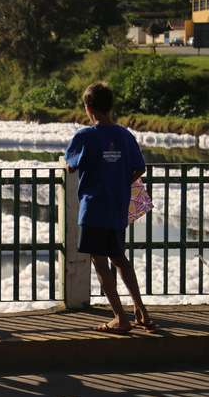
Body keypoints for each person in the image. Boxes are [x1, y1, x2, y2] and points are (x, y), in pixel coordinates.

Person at [65, 82, 157, 334]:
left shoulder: (84, 136)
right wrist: (118, 181)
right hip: (117, 207)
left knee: (100, 262)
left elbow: (71, 165)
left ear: (89, 108)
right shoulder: (125, 135)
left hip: (93, 208)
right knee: (120, 259)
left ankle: (120, 317)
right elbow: (139, 167)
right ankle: (141, 311)